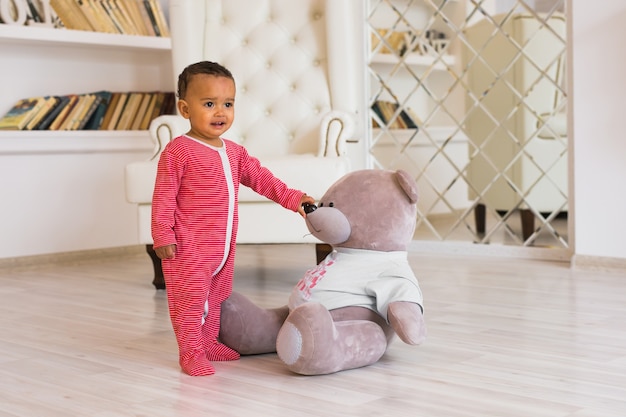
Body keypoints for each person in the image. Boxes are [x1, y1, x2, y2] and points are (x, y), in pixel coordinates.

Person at [151, 61, 315, 376]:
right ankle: (190, 352)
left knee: (216, 297)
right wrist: (163, 236)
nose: (220, 112)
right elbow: (164, 197)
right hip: (189, 248)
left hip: (222, 248)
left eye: (227, 104)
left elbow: (263, 179)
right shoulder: (178, 152)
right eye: (209, 104)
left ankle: (209, 342)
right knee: (190, 301)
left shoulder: (235, 152)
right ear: (185, 109)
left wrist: (294, 198)